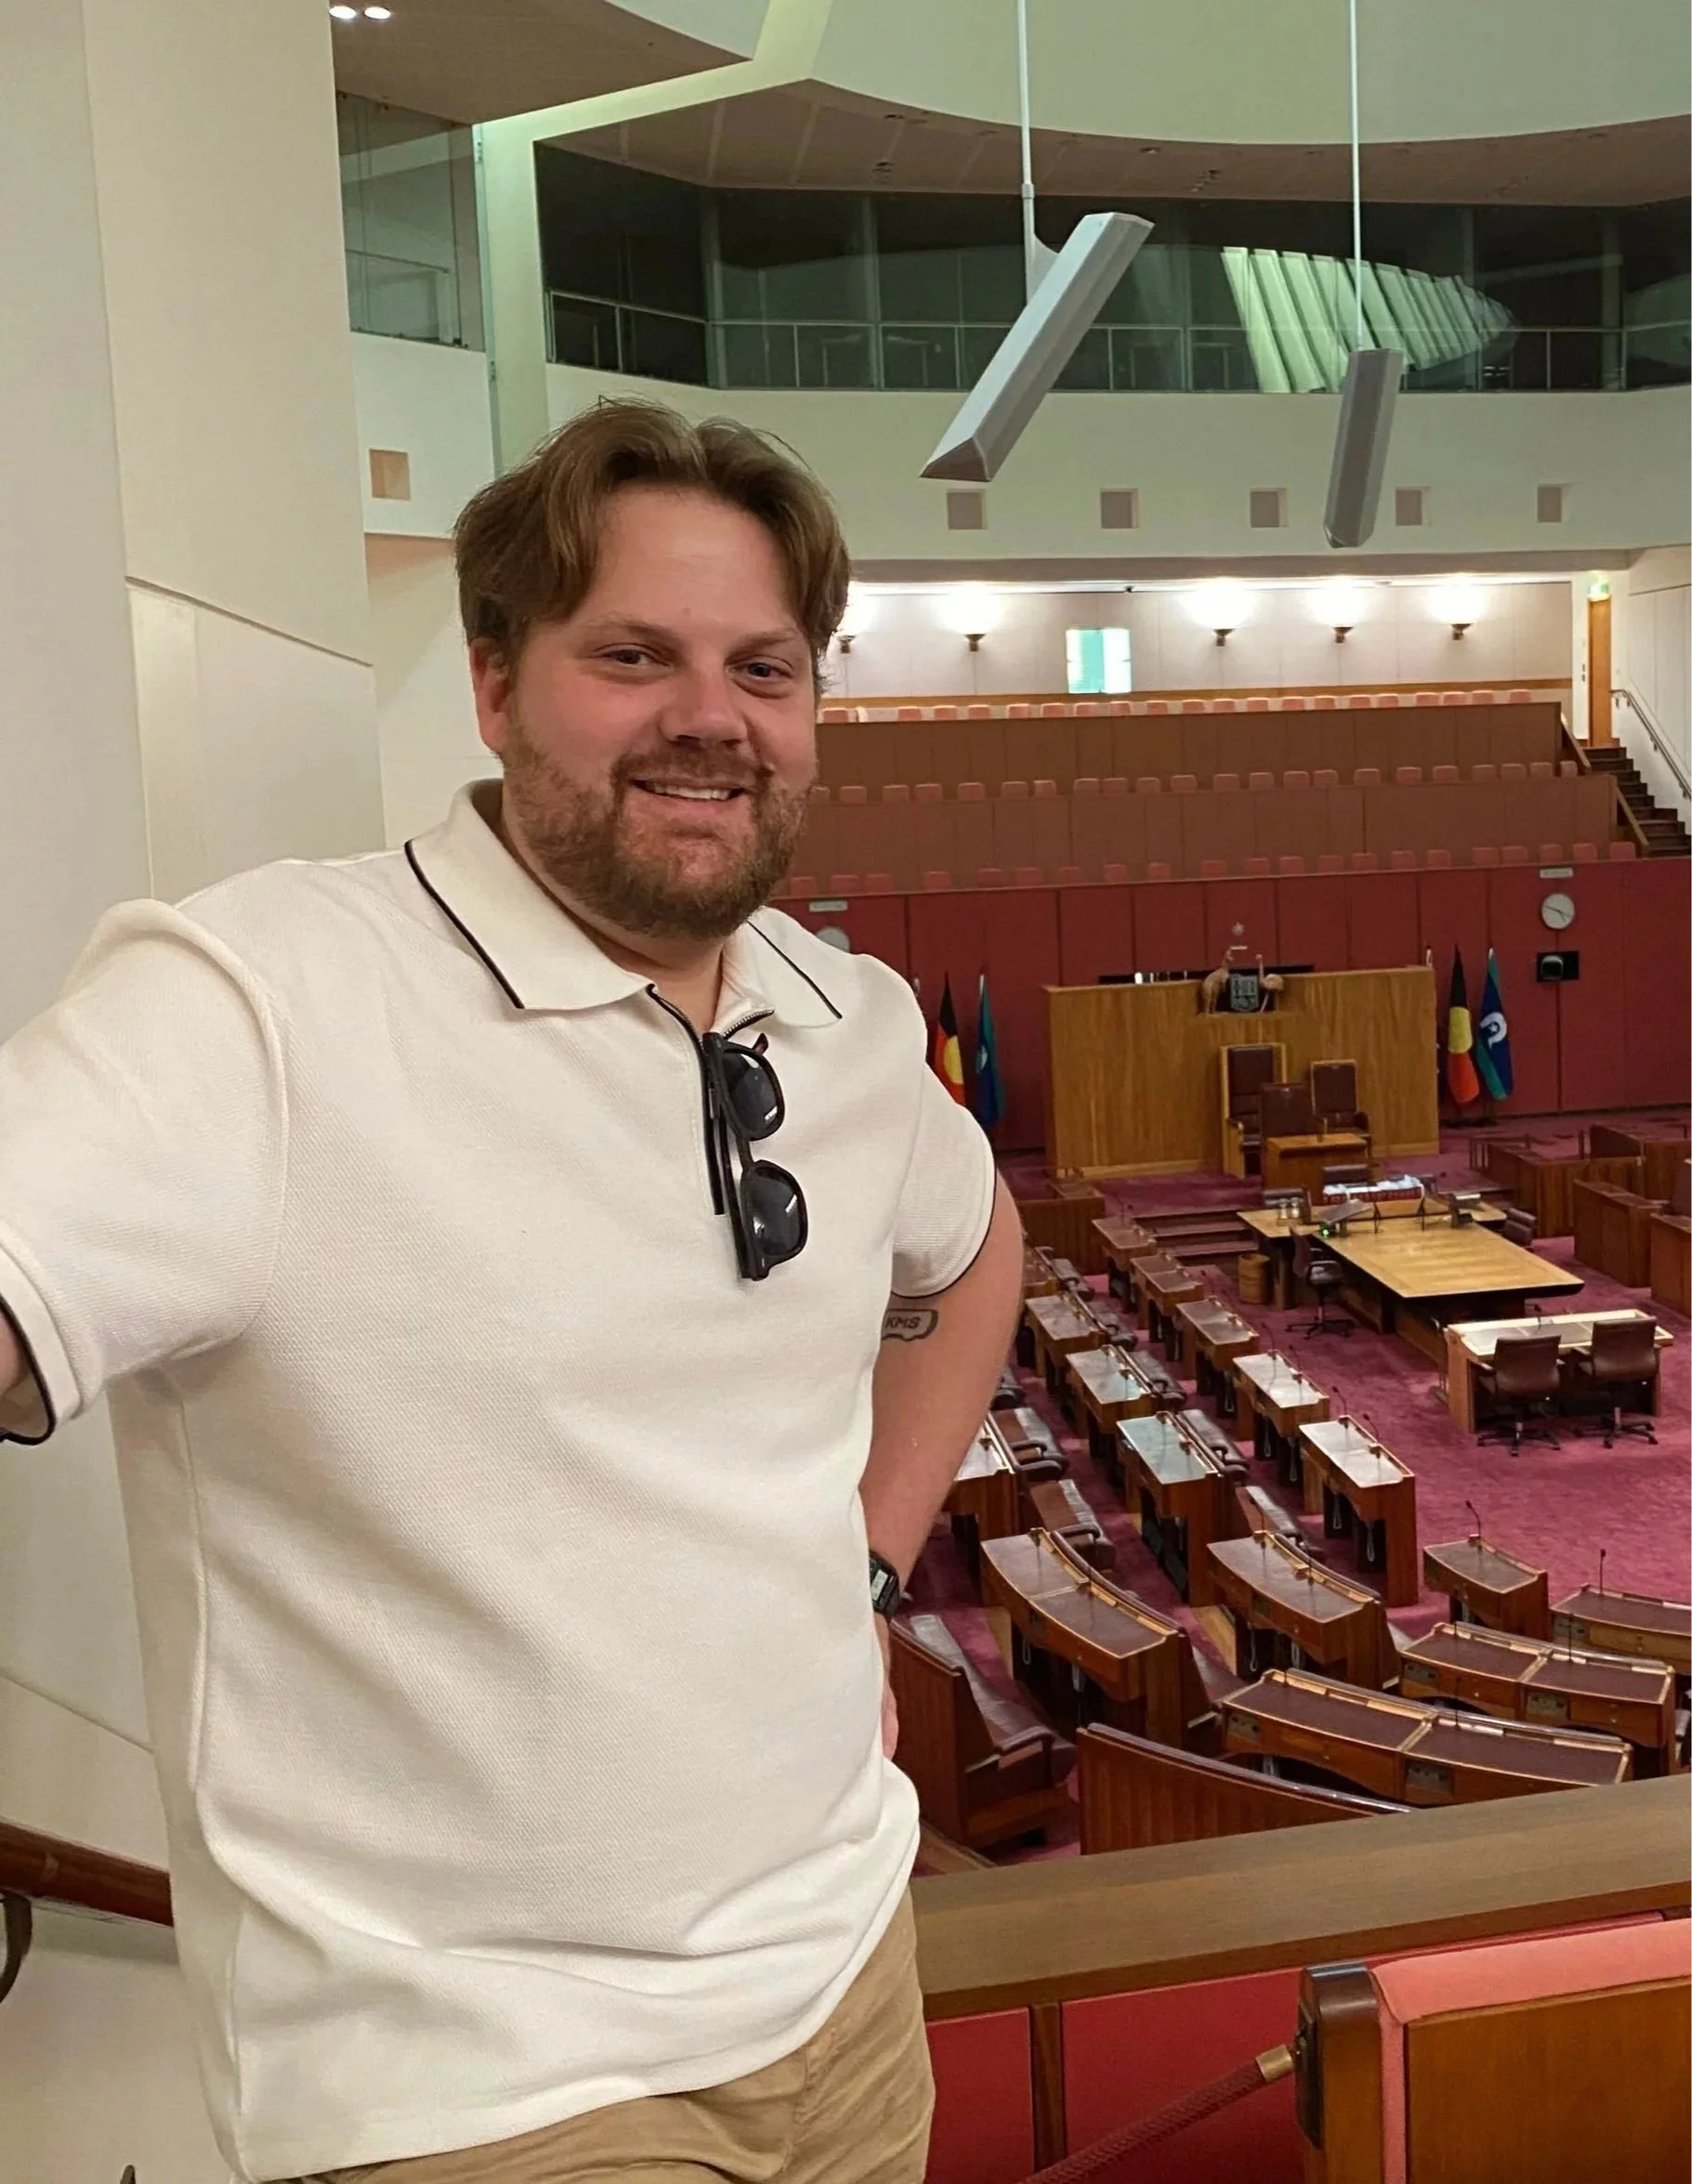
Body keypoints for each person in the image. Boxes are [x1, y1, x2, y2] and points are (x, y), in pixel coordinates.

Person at [0, 398, 1023, 2183]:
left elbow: (974, 1240)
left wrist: (871, 1552)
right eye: (633, 654)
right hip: (478, 2084)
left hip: (847, 1983)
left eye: (763, 668)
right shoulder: (259, 1002)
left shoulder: (847, 1018)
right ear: (492, 683)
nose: (711, 715)